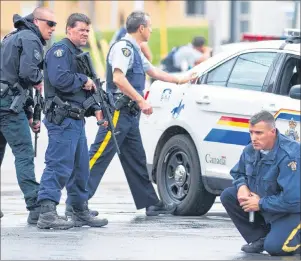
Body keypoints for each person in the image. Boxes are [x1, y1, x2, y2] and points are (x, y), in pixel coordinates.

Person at [79, 11, 196, 218]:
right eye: (149, 27)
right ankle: (77, 201)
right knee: (99, 155)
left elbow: (154, 72)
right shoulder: (123, 49)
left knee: (136, 158)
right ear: (141, 28)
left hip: (129, 115)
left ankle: (150, 203)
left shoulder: (134, 48)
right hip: (118, 111)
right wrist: (141, 100)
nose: (151, 30)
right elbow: (118, 79)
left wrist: (182, 79)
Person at [36, 13, 108, 230]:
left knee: (80, 168)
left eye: (87, 30)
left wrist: (97, 109)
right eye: (81, 30)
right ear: (69, 30)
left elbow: (87, 90)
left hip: (76, 120)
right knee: (59, 165)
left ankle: (79, 210)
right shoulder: (60, 51)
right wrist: (83, 80)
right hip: (62, 119)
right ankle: (47, 212)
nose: (85, 33)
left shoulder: (77, 54)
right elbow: (61, 80)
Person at [0, 7, 56, 222]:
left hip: (7, 102)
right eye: (50, 24)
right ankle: (34, 206)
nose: (52, 29)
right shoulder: (30, 39)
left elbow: (12, 77)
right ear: (36, 21)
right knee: (24, 153)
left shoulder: (11, 37)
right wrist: (41, 79)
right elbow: (26, 74)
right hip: (9, 108)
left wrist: (30, 112)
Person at [220, 111, 300, 256]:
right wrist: (242, 187)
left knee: (276, 248)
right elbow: (238, 173)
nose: (253, 138)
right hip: (270, 207)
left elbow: (293, 200)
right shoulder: (251, 150)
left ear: (272, 131)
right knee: (228, 195)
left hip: (292, 212)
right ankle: (260, 238)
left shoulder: (290, 155)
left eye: (258, 133)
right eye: (251, 132)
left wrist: (261, 203)